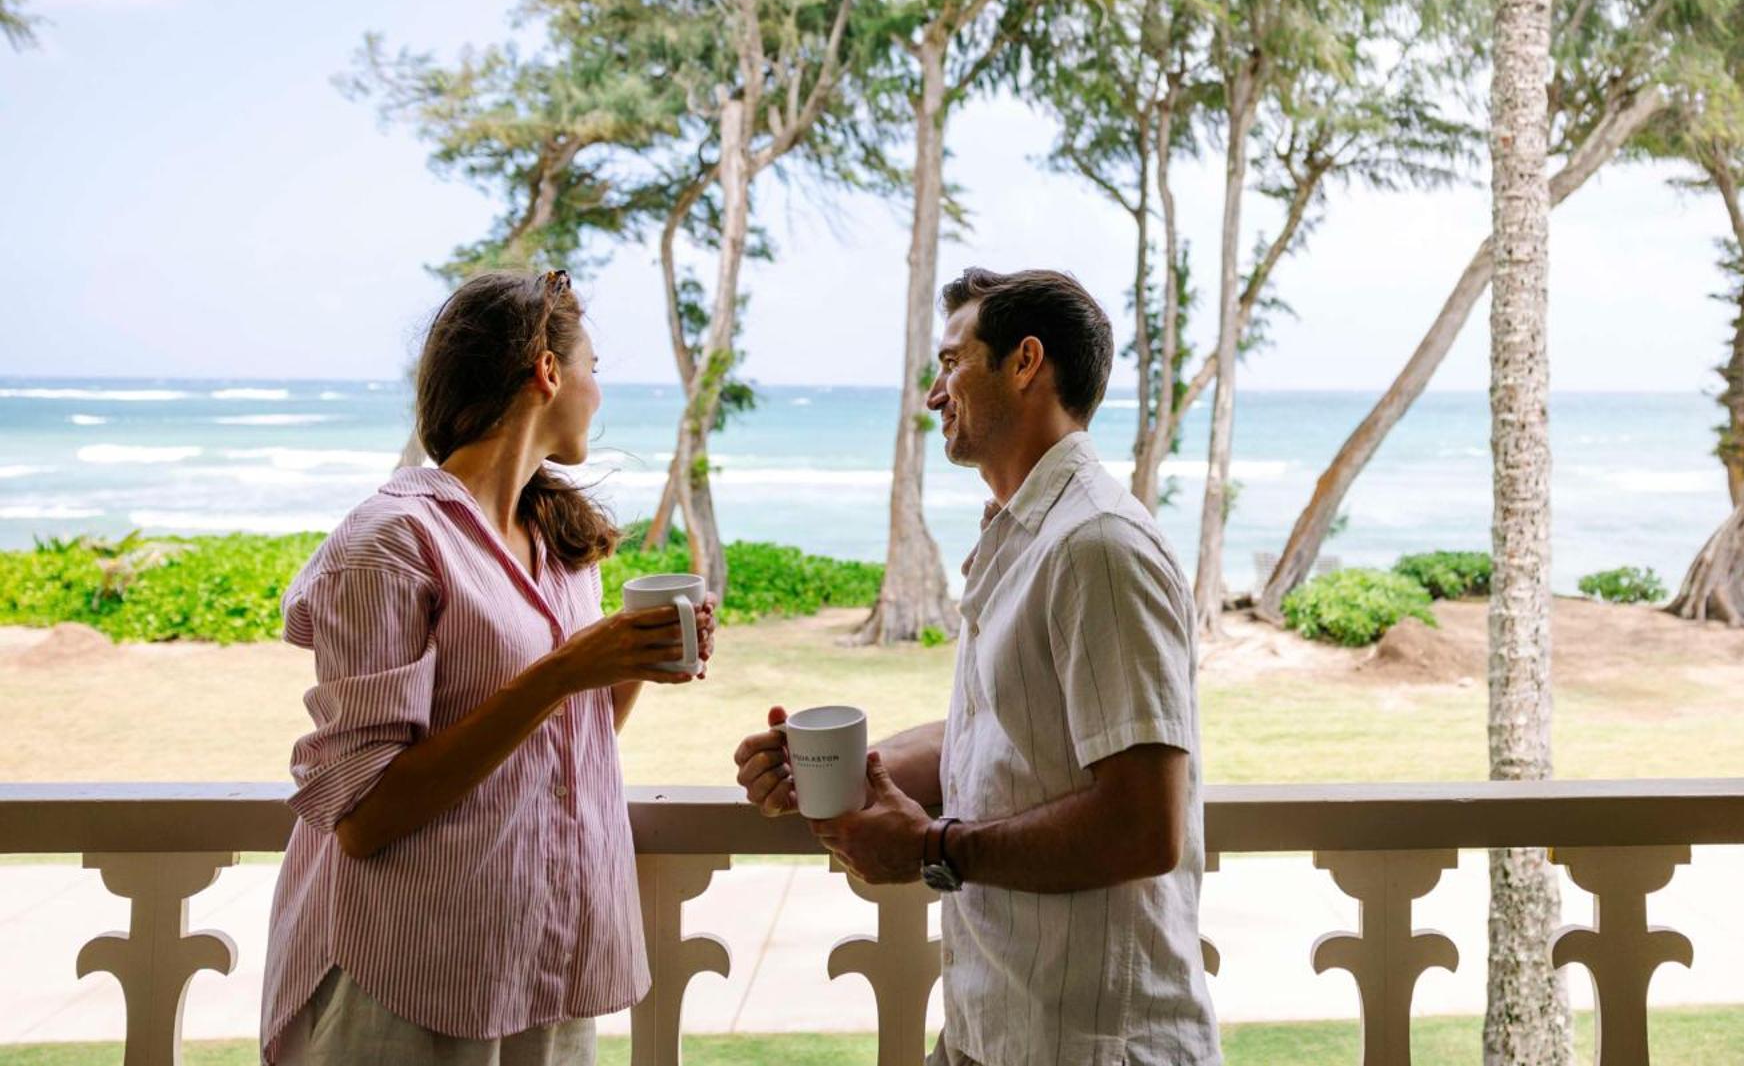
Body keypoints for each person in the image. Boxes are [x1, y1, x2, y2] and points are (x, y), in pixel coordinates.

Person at [734, 267, 1221, 1065]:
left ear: (1026, 363)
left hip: (1091, 1042)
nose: (934, 393)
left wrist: (934, 848)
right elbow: (999, 732)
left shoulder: (1097, 546)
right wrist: (837, 766)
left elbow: (1145, 824)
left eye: (952, 362)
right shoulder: (1026, 536)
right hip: (996, 1028)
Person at [260, 269, 715, 1066]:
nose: (599, 394)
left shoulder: (562, 542)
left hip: (543, 963)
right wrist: (562, 670)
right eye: (594, 369)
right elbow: (364, 816)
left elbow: (573, 736)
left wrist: (633, 659)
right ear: (547, 370)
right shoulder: (389, 543)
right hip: (403, 976)